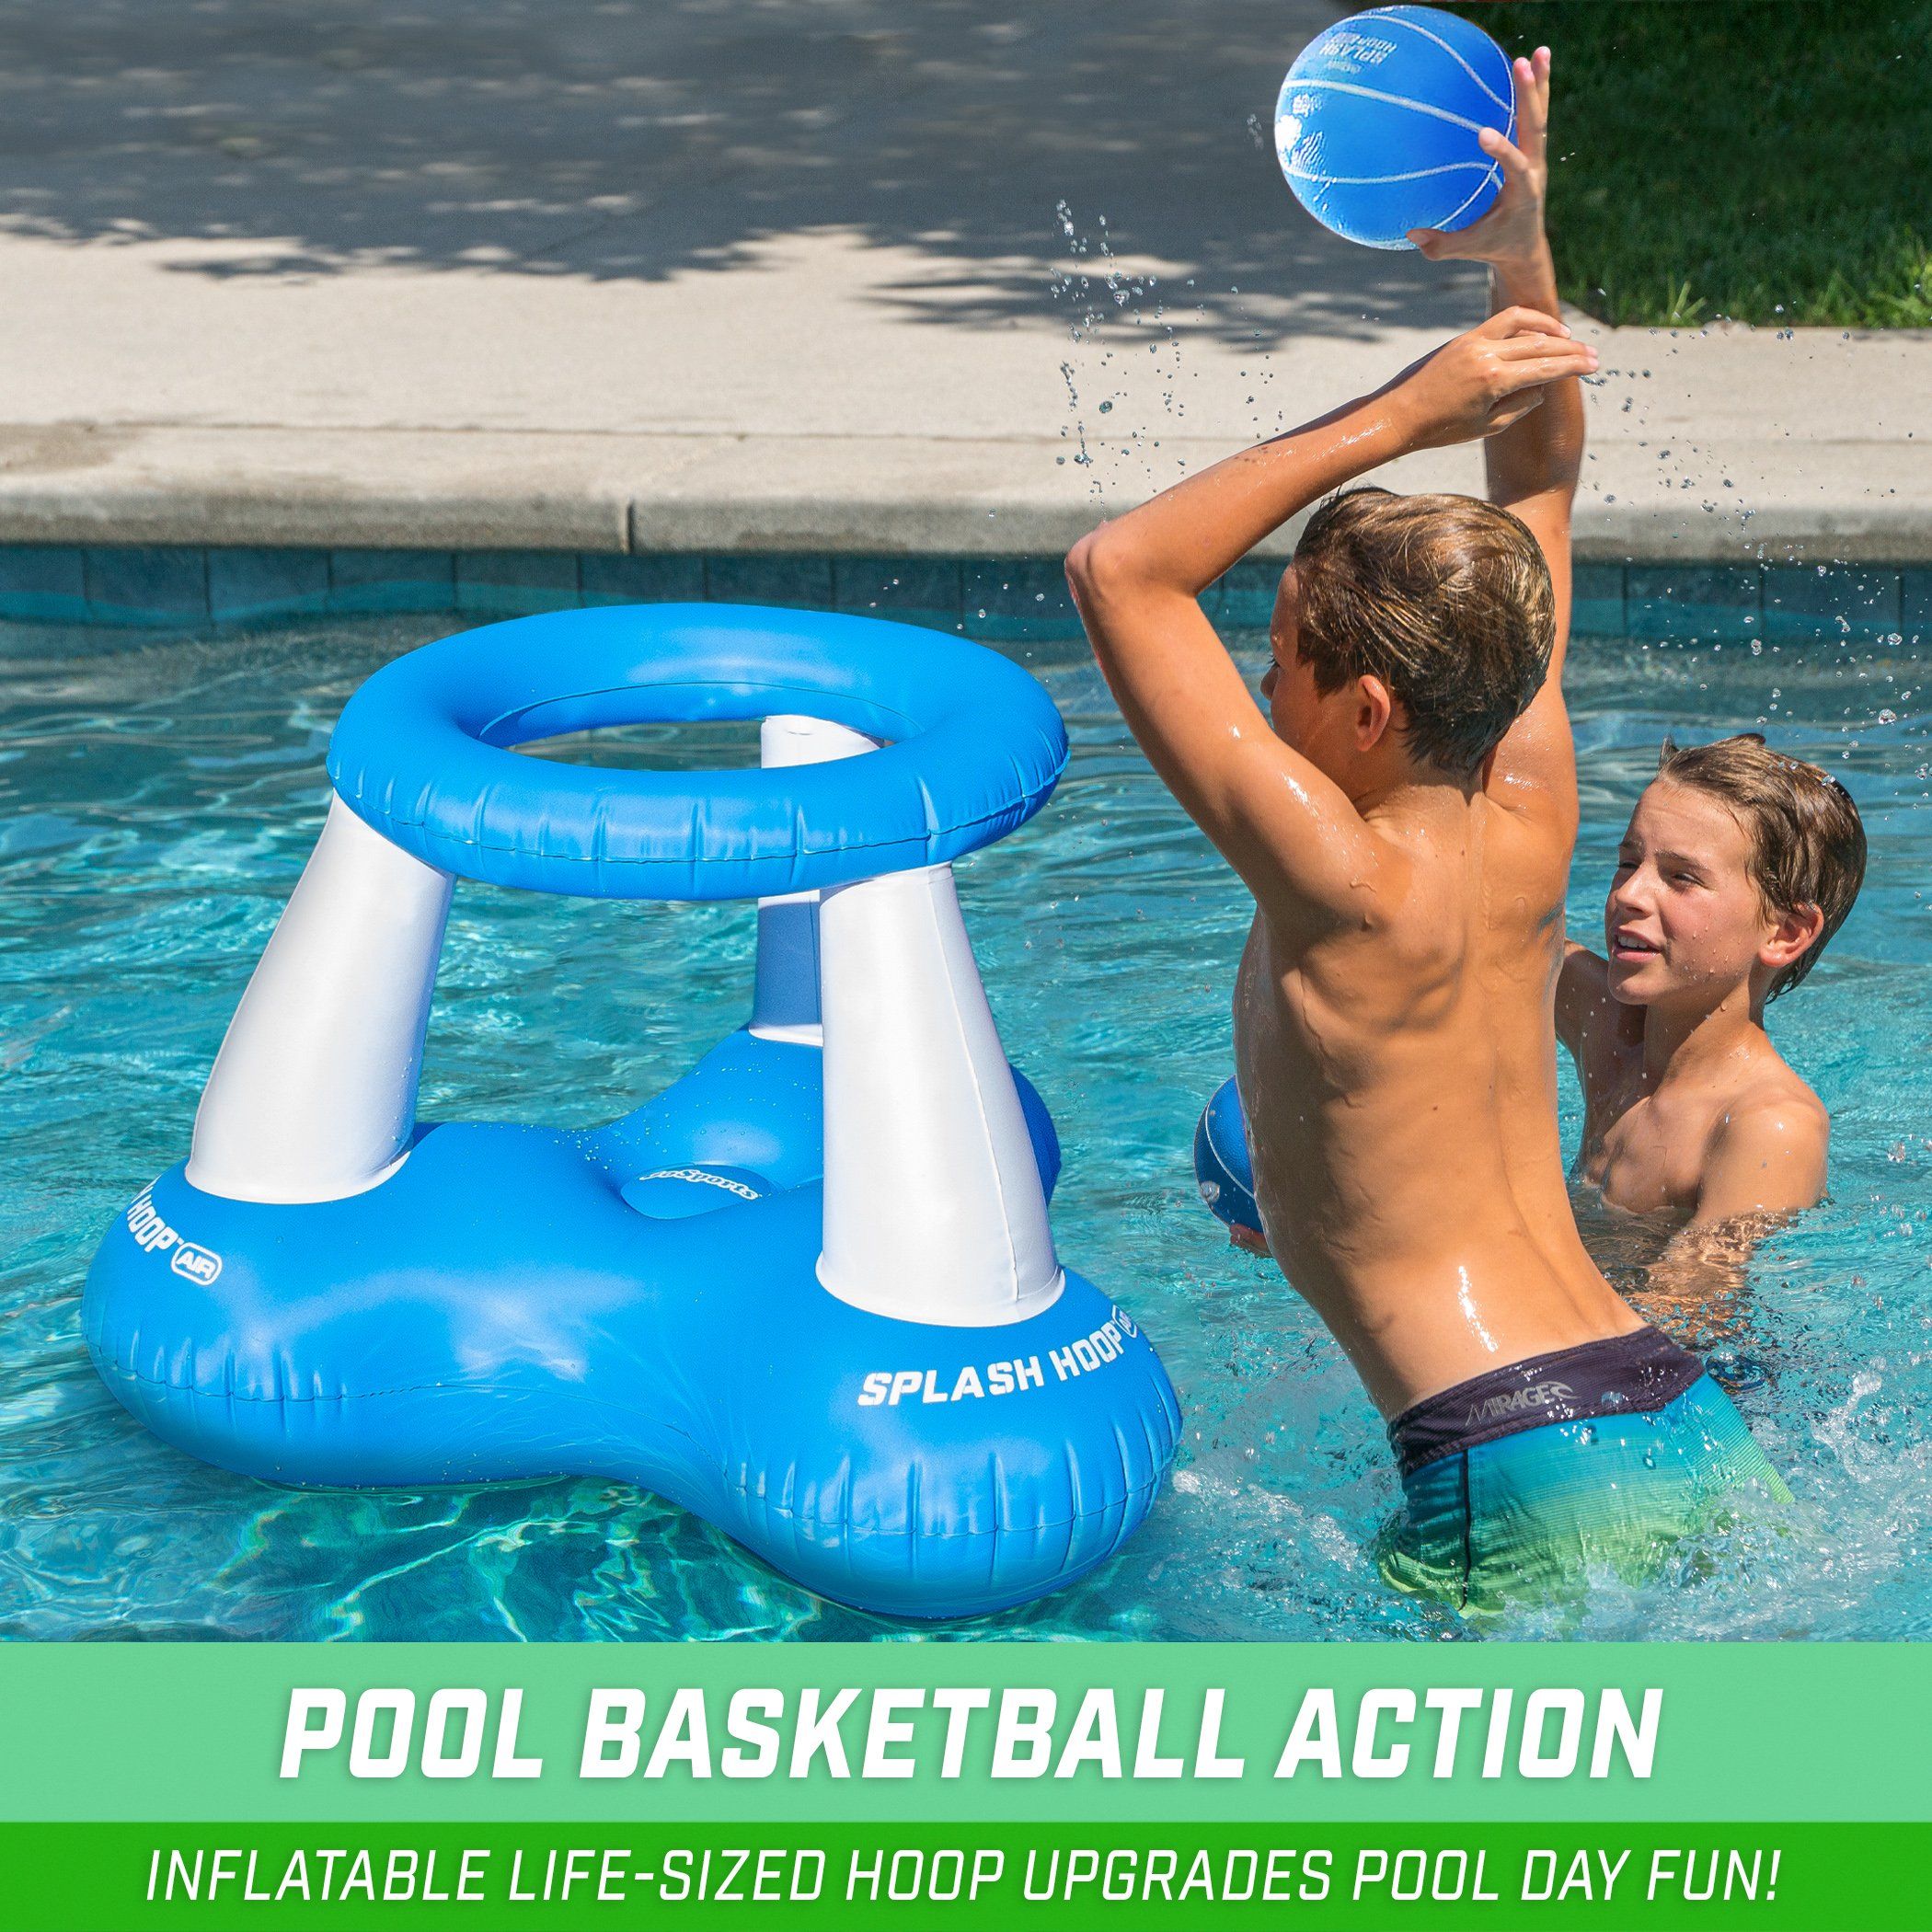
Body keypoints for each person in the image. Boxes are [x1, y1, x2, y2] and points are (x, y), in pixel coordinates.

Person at [1065, 50, 1786, 1615]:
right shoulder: (1530, 796)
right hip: (1677, 1410)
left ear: (1370, 710)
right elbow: (1538, 472)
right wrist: (1520, 247)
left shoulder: (1341, 876)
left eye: (1280, 660)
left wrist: (1399, 413)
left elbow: (1121, 570)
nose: (1256, 683)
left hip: (1513, 1459)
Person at [1557, 735, 1866, 1321]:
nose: (1628, 894)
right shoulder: (1607, 1025)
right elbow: (1485, 932)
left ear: (1784, 933)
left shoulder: (1768, 1126)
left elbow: (1685, 1310)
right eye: (1628, 862)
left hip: (1718, 1368)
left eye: (1681, 878)